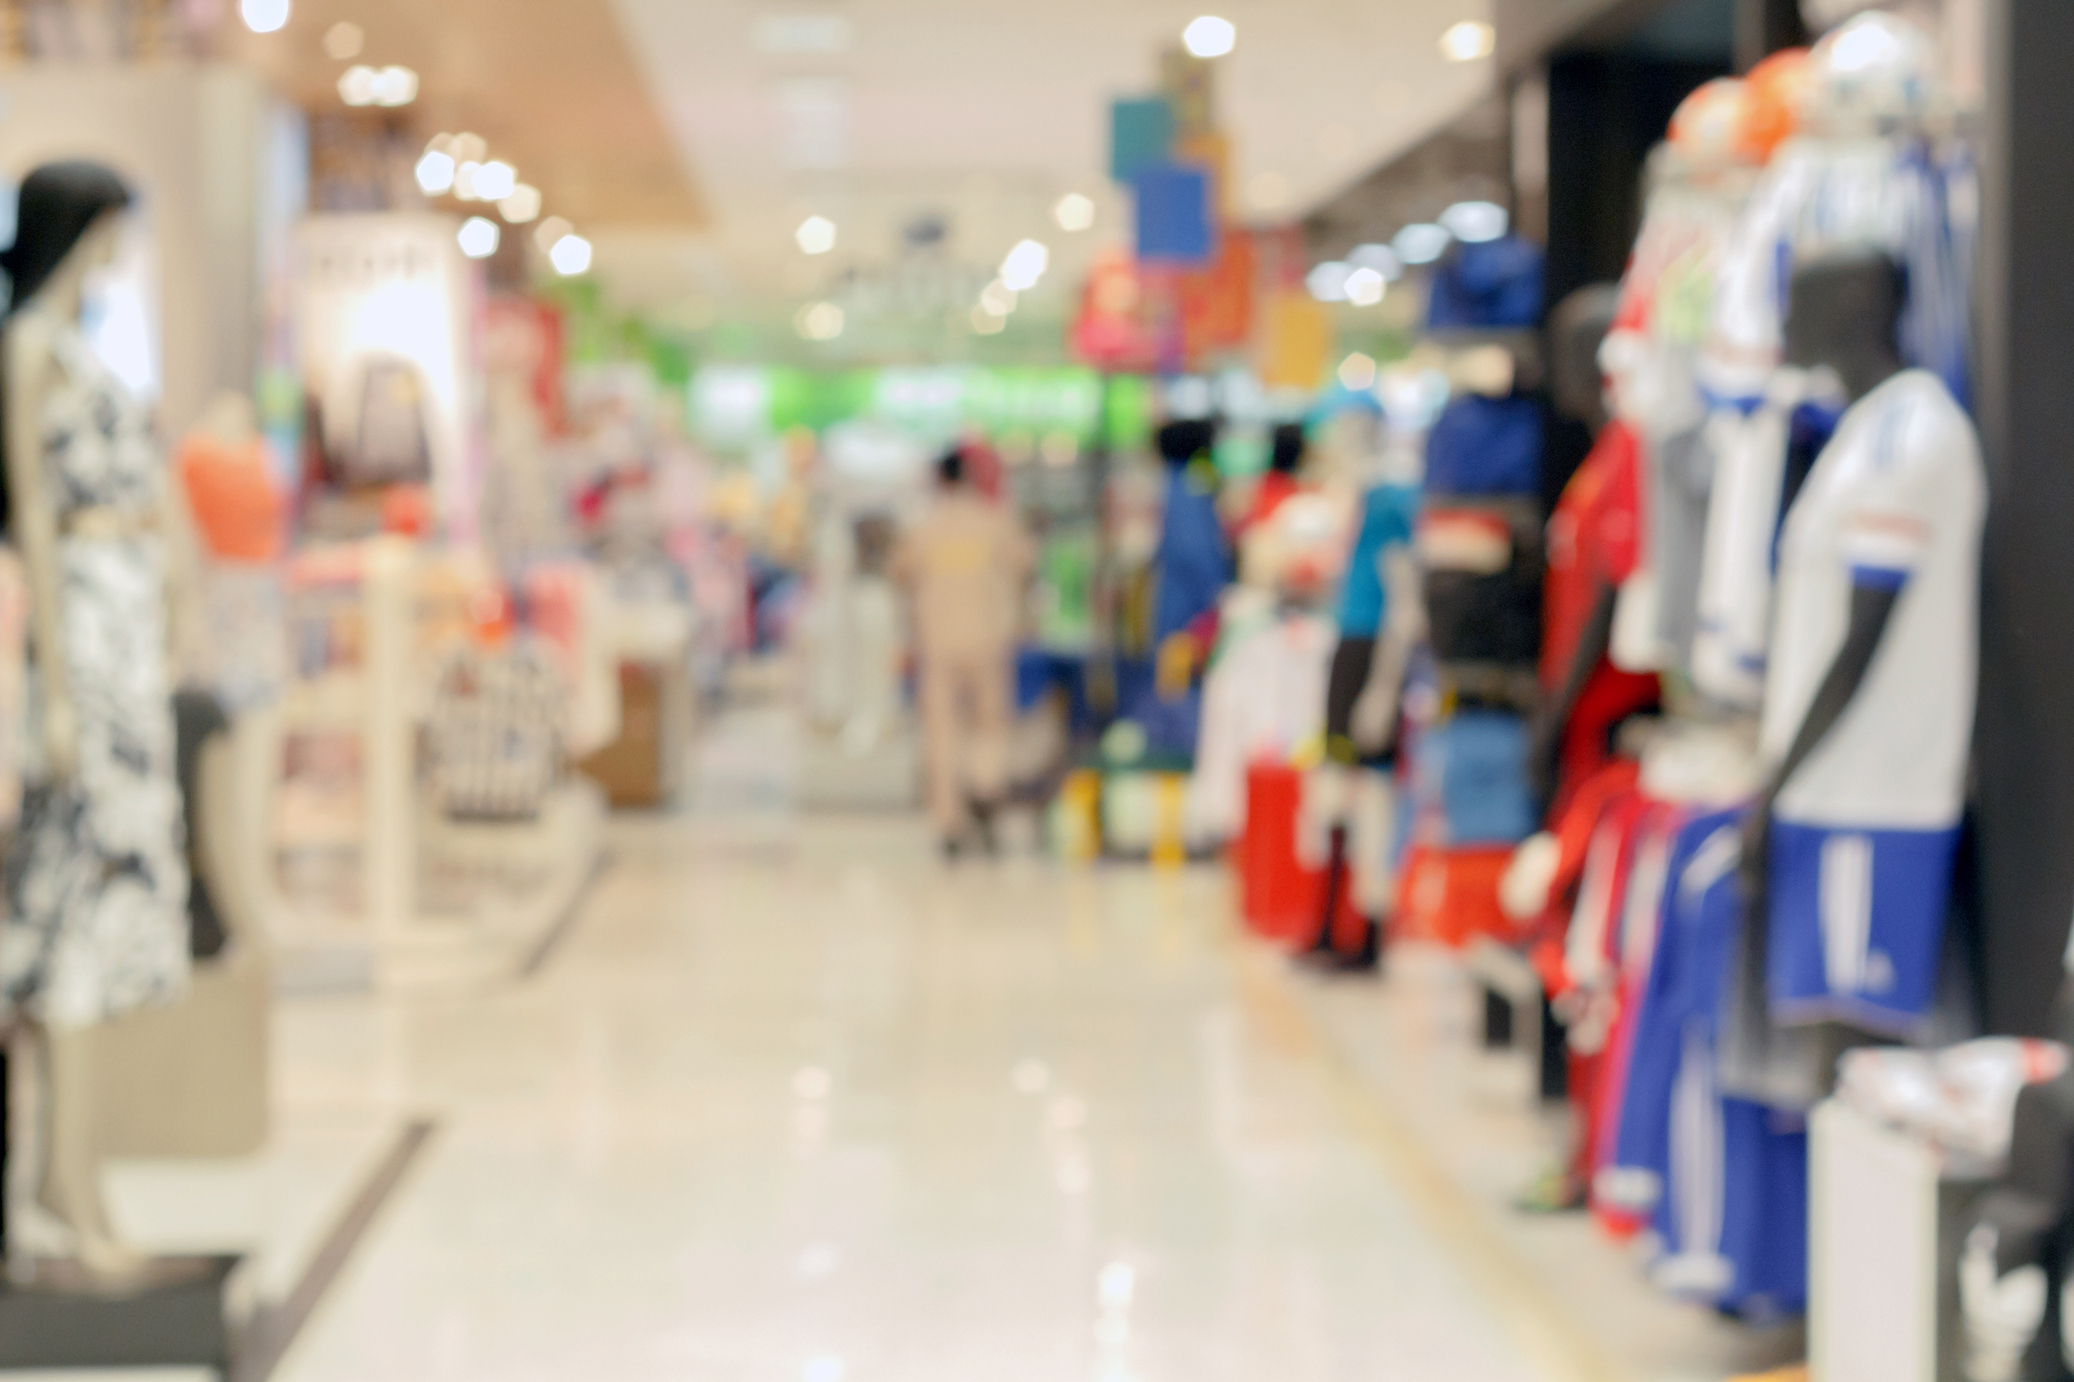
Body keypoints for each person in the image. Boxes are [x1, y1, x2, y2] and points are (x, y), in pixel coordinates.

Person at [892, 447, 1033, 858]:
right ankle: (986, 789)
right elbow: (1025, 566)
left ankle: (949, 822)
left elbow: (900, 574)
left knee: (941, 732)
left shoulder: (923, 528)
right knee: (989, 723)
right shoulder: (995, 522)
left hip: (938, 643)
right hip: (988, 639)